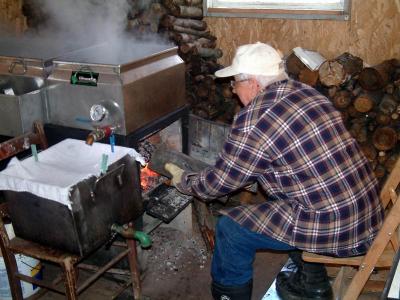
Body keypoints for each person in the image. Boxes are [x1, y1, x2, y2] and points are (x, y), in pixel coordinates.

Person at [165, 42, 384, 300]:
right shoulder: (306, 92)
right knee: (282, 199)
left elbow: (217, 185)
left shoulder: (254, 119)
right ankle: (312, 285)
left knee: (231, 230)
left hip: (338, 230)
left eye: (236, 83)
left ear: (254, 84)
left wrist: (185, 181)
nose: (234, 91)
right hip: (366, 216)